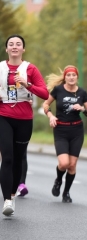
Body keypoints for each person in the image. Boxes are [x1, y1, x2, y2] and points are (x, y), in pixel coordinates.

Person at [0, 34, 49, 216]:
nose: (14, 47)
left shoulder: (30, 69)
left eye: (18, 44)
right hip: (3, 116)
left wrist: (28, 85)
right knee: (8, 158)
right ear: (6, 49)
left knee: (18, 159)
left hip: (24, 119)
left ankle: (12, 194)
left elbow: (44, 93)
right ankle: (6, 200)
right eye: (11, 44)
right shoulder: (0, 68)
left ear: (23, 49)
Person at [43, 65, 87, 203]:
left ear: (77, 77)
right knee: (64, 163)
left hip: (76, 131)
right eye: (68, 75)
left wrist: (83, 109)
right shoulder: (58, 90)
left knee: (72, 165)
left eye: (74, 75)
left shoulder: (82, 93)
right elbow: (45, 105)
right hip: (60, 130)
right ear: (65, 77)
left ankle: (66, 193)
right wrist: (51, 116)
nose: (71, 77)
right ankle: (58, 180)